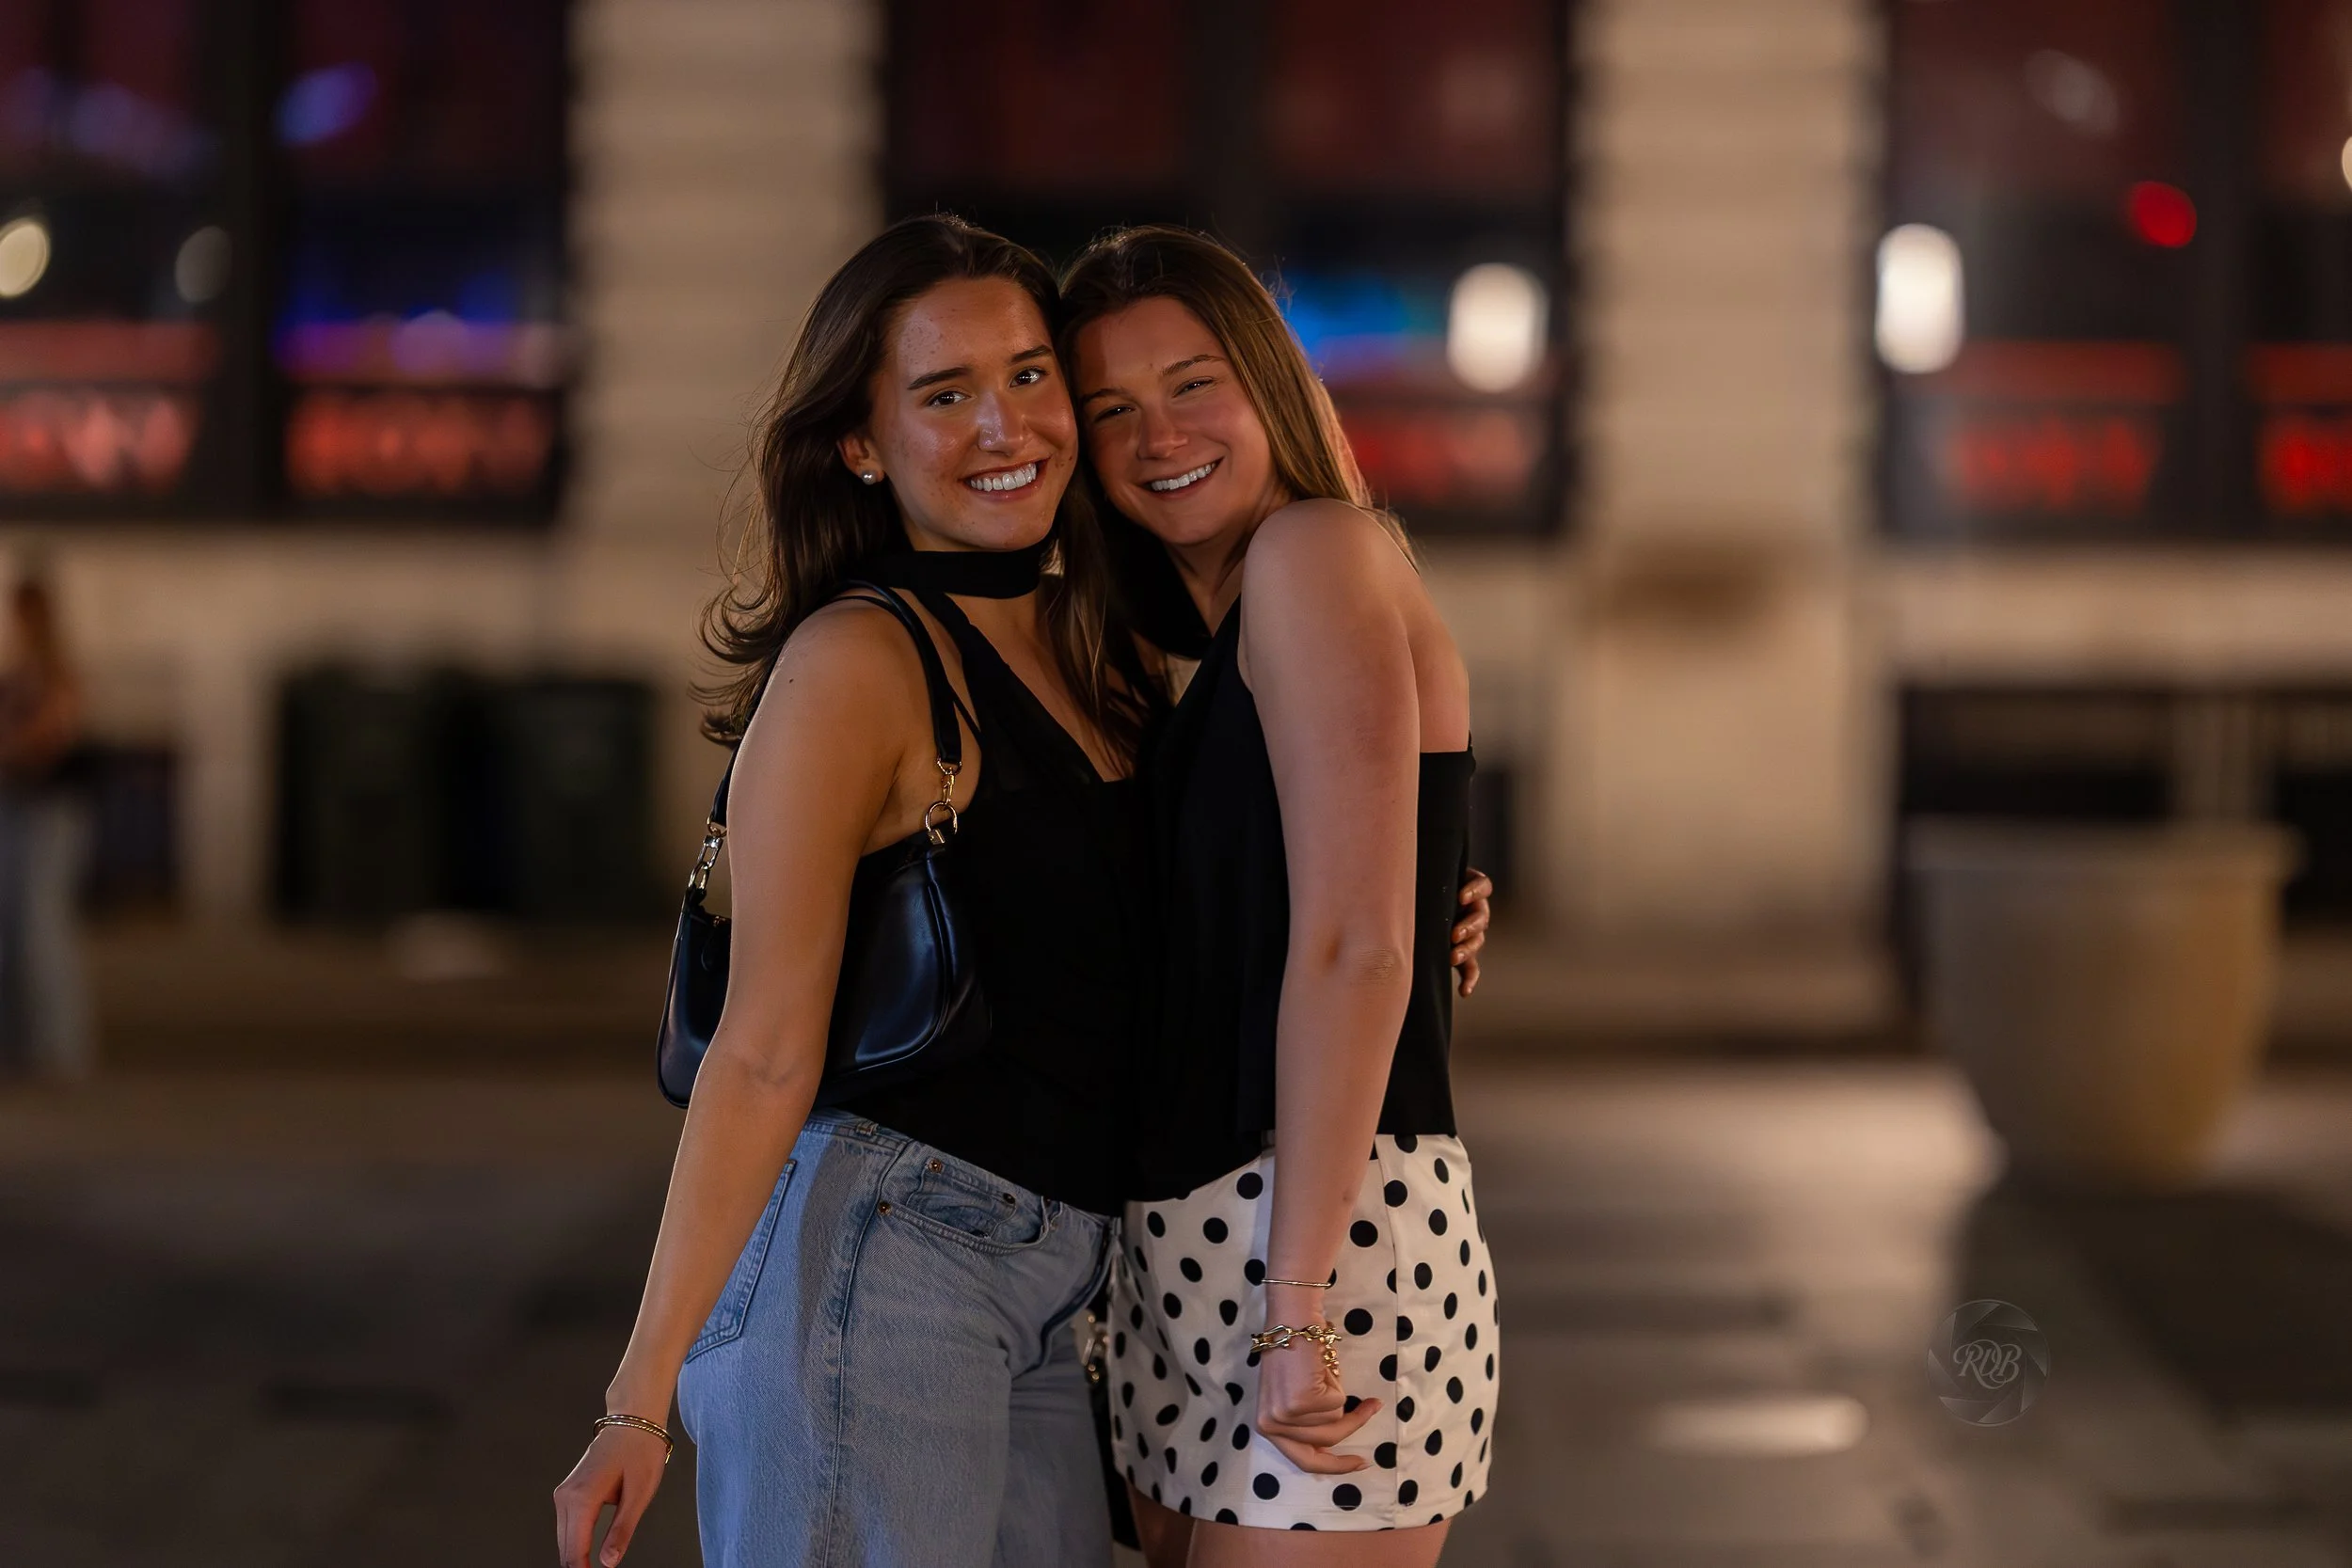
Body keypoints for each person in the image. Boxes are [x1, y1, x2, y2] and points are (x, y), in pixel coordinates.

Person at [551, 214, 1495, 1568]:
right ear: (861, 443)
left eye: (1034, 378)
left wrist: (1426, 878)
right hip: (888, 1255)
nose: (1012, 425)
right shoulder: (859, 660)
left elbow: (1291, 908)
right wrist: (640, 1393)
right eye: (945, 394)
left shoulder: (1099, 646)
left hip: (1097, 1278)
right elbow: (760, 1050)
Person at [1064, 227, 1497, 1565]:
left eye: (1194, 383)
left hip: (1321, 1248)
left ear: (1273, 386)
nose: (1157, 435)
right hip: (1195, 1255)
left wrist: (1297, 1303)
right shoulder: (1207, 635)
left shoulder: (1313, 552)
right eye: (1111, 410)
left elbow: (1361, 949)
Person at [0, 574, 91, 1080]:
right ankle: (17, 1045)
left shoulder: (56, 670)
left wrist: (11, 746)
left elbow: (54, 731)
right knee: (10, 930)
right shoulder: (18, 669)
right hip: (12, 802)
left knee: (41, 928)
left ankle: (59, 1048)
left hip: (47, 807)